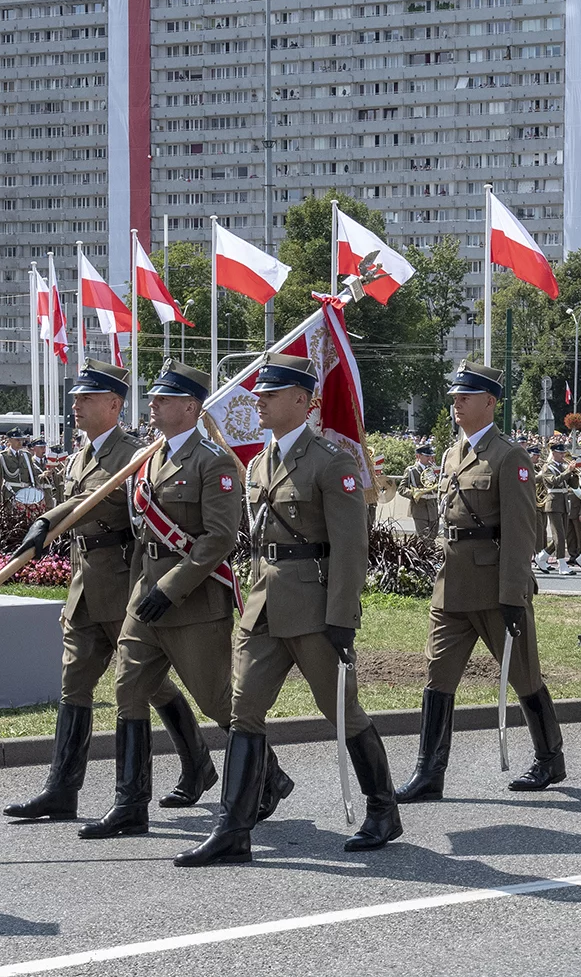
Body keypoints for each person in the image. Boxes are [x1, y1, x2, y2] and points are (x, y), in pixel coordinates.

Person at [176, 354, 400, 866]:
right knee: (243, 710)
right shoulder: (257, 463)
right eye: (259, 394)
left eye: (271, 395)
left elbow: (350, 547)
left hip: (315, 607)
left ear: (302, 401)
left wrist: (344, 616)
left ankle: (383, 809)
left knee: (340, 711)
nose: (260, 401)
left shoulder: (331, 461)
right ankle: (233, 827)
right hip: (264, 606)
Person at [4, 361, 215, 825]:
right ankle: (61, 789)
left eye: (86, 398)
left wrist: (57, 517)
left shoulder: (134, 455)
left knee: (147, 687)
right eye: (75, 398)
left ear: (114, 405)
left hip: (124, 586)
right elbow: (78, 502)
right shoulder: (81, 455)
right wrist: (46, 522)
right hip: (84, 586)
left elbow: (104, 504)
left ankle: (201, 765)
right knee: (74, 685)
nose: (75, 405)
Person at [78, 360, 247, 839]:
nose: (152, 404)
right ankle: (130, 804)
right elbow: (142, 536)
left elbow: (219, 538)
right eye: (152, 397)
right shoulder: (149, 458)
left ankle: (267, 776)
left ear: (190, 407)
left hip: (192, 602)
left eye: (164, 398)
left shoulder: (213, 461)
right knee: (128, 690)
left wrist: (170, 589)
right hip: (144, 598)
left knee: (216, 701)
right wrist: (141, 591)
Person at [396, 361, 562, 801]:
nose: (456, 403)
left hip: (494, 588)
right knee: (438, 675)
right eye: (454, 397)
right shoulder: (453, 454)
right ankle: (429, 770)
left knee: (523, 675)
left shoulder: (510, 456)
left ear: (489, 402)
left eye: (465, 397)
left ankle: (550, 757)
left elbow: (521, 530)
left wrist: (512, 594)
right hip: (452, 585)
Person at [538, 441, 579, 574]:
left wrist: (574, 474)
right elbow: (554, 481)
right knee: (559, 536)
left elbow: (574, 485)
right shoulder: (547, 467)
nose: (563, 455)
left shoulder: (562, 467)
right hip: (553, 502)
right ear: (554, 453)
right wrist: (568, 471)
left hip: (563, 503)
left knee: (561, 536)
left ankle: (541, 557)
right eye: (560, 453)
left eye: (563, 453)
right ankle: (562, 565)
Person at [0, 428, 45, 507]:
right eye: (17, 440)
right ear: (10, 440)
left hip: (27, 496)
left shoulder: (26, 455)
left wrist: (40, 495)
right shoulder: (2, 456)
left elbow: (33, 476)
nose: (20, 442)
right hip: (10, 495)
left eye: (21, 440)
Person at [399, 444, 442, 539]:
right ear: (418, 456)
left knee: (433, 537)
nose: (430, 458)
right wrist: (414, 493)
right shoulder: (411, 470)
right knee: (424, 538)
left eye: (431, 456)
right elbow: (401, 489)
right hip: (420, 508)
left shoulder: (433, 470)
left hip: (433, 509)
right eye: (427, 456)